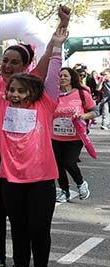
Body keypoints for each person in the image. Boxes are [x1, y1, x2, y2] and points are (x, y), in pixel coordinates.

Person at [0, 6, 70, 267]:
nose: (12, 93)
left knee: (40, 231)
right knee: (20, 232)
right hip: (10, 182)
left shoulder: (46, 104)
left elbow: (52, 72)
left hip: (41, 182)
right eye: (10, 90)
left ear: (33, 92)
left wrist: (58, 42)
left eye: (18, 90)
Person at [51, 66, 96, 203]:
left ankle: (81, 183)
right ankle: (64, 191)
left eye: (65, 75)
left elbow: (94, 112)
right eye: (60, 76)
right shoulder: (53, 94)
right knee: (58, 165)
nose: (62, 78)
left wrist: (82, 116)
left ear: (71, 78)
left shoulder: (81, 94)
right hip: (55, 136)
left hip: (75, 136)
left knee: (69, 162)